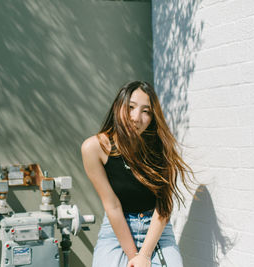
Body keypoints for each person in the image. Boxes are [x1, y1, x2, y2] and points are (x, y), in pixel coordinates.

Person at [81, 81, 194, 267]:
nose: (136, 117)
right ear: (118, 107)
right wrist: (134, 256)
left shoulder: (160, 148)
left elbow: (164, 206)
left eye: (146, 111)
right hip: (117, 230)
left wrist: (145, 255)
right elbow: (113, 207)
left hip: (156, 231)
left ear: (152, 117)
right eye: (130, 107)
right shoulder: (95, 148)